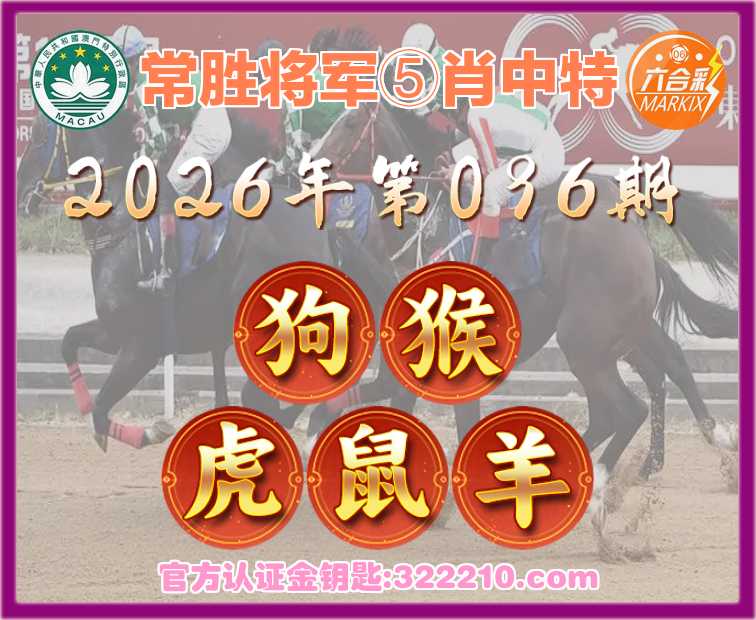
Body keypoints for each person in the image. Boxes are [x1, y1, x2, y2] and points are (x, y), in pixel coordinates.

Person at [401, 23, 566, 266]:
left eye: (443, 110)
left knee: (493, 187)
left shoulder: (474, 116)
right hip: (532, 138)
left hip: (546, 154)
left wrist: (459, 174)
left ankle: (483, 259)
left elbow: (489, 170)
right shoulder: (458, 81)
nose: (445, 116)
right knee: (461, 155)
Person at [111, 25, 232, 293]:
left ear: (131, 62)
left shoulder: (143, 87)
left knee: (165, 192)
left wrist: (140, 158)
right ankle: (202, 231)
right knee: (172, 184)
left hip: (208, 128)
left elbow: (160, 142)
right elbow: (170, 130)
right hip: (212, 121)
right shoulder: (156, 68)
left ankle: (166, 270)